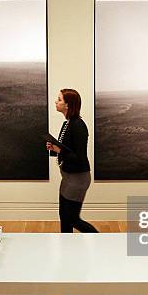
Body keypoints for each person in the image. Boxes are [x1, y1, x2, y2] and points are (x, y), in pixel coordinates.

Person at [46, 89, 99, 233]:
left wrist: (59, 150)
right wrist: (53, 148)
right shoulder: (67, 124)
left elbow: (79, 157)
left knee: (73, 219)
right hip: (68, 177)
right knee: (64, 217)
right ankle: (66, 250)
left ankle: (102, 242)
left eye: (59, 99)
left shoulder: (78, 125)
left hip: (78, 179)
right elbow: (65, 150)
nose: (56, 102)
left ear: (68, 105)